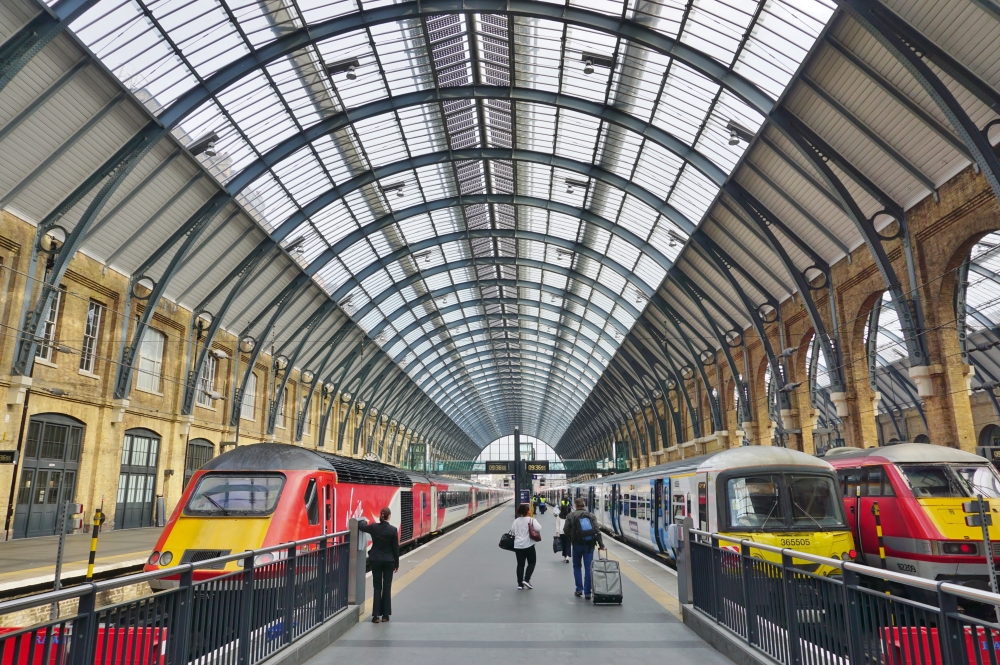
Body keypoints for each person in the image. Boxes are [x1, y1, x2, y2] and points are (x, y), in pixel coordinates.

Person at [359, 507, 400, 623]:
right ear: (389, 516)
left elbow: (361, 527)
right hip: (389, 561)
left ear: (380, 516)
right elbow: (395, 549)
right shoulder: (393, 530)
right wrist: (396, 564)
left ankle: (375, 616)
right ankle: (385, 616)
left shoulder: (374, 527)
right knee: (387, 587)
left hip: (376, 560)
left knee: (377, 587)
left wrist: (364, 522)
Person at [563, 497, 605, 599]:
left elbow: (565, 529)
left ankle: (579, 589)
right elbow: (597, 531)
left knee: (577, 567)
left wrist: (572, 539)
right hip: (589, 545)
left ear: (575, 506)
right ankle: (587, 592)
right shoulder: (591, 515)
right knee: (588, 568)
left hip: (577, 545)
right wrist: (601, 545)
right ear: (584, 505)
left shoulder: (571, 515)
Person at [511, 503, 541, 590]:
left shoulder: (516, 521)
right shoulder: (531, 520)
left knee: (520, 564)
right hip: (529, 545)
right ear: (527, 511)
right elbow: (539, 528)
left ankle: (520, 584)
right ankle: (526, 579)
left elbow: (513, 531)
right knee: (532, 562)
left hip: (518, 546)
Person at [555, 496, 572, 562]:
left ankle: (565, 557)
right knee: (568, 544)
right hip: (568, 532)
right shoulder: (569, 516)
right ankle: (567, 556)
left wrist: (557, 532)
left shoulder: (559, 516)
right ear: (567, 510)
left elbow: (557, 525)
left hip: (561, 532)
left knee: (564, 544)